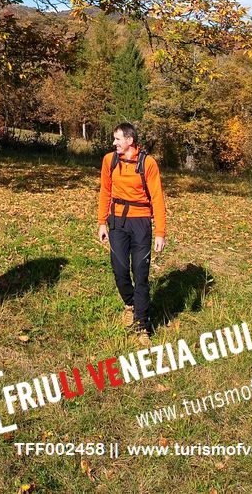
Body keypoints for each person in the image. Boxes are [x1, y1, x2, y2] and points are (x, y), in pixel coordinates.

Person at [98, 122, 166, 345]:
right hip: (117, 221)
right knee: (119, 269)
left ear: (129, 140)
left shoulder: (148, 163)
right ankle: (130, 303)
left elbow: (157, 198)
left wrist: (160, 233)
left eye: (118, 139)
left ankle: (143, 325)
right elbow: (105, 191)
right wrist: (101, 223)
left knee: (141, 274)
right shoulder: (110, 160)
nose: (114, 143)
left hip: (141, 224)